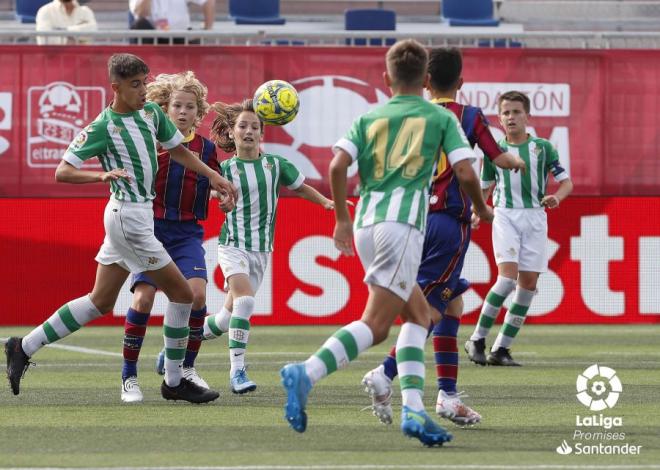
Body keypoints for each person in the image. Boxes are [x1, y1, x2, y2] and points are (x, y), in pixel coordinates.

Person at [280, 39, 492, 446]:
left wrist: (342, 217)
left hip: (366, 223)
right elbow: (465, 172)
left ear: (386, 79)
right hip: (402, 226)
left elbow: (338, 163)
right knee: (376, 326)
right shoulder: (439, 117)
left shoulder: (370, 117)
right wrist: (482, 209)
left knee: (420, 316)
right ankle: (305, 372)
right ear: (426, 79)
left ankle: (415, 411)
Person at [4, 53, 236, 404]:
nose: (144, 90)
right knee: (184, 295)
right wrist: (100, 174)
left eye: (144, 82)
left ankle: (23, 345)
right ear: (116, 88)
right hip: (129, 219)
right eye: (135, 84)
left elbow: (180, 152)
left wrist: (215, 176)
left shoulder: (152, 113)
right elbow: (62, 171)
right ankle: (174, 381)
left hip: (135, 217)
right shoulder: (103, 127)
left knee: (100, 301)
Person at [361, 47, 527, 427]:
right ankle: (385, 373)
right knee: (429, 309)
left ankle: (448, 396)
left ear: (425, 82)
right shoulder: (467, 116)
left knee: (452, 304)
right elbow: (496, 158)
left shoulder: (411, 114)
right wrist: (512, 164)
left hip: (408, 219)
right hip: (447, 224)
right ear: (462, 82)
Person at [198, 98, 334, 394]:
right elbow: (214, 196)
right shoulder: (225, 169)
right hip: (232, 245)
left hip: (261, 250)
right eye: (242, 126)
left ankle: (178, 348)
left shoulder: (275, 165)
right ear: (232, 133)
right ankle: (237, 373)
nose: (248, 131)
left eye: (255, 127)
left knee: (224, 319)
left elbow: (300, 187)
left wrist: (324, 202)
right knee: (245, 302)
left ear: (262, 134)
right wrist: (221, 200)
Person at [120, 71, 221, 403]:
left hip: (188, 234)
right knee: (143, 300)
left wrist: (227, 198)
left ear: (198, 112)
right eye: (176, 105)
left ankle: (186, 370)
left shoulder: (206, 150)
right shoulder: (151, 143)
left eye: (189, 107)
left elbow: (216, 186)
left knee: (198, 297)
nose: (182, 112)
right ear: (165, 109)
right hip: (152, 233)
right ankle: (129, 377)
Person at [465, 90, 573, 367]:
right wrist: (478, 210)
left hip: (536, 218)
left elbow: (566, 182)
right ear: (499, 119)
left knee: (528, 286)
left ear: (527, 116)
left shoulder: (543, 148)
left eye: (516, 112)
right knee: (507, 280)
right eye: (505, 113)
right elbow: (486, 187)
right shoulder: (494, 151)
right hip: (506, 216)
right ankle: (476, 339)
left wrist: (556, 198)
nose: (511, 117)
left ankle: (501, 349)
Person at [129, 0, 215, 44]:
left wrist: (207, 29)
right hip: (153, 40)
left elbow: (207, 1)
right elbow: (141, 13)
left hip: (180, 37)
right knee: (139, 24)